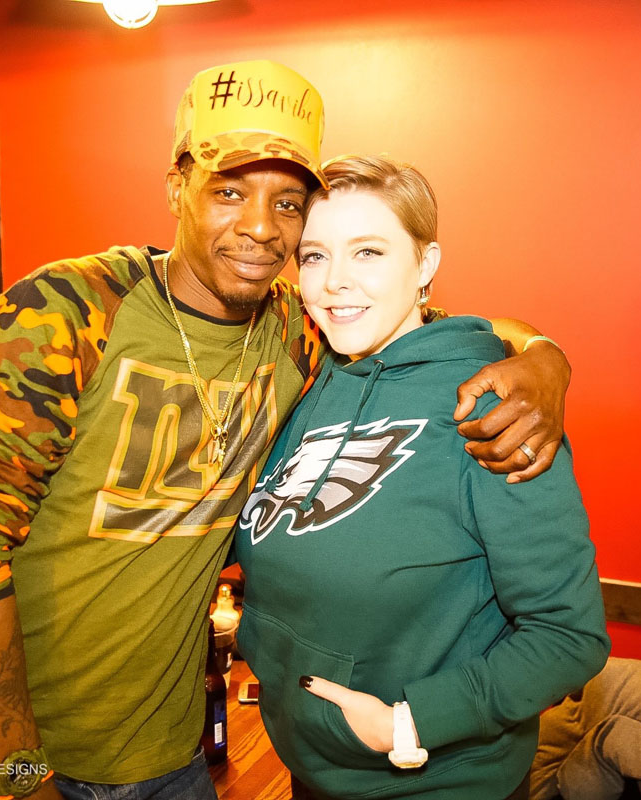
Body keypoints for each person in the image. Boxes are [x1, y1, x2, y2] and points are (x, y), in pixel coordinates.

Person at [0, 61, 573, 800]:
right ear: (176, 187)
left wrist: (545, 358)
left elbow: (425, 326)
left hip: (162, 750)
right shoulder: (71, 308)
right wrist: (18, 778)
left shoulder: (299, 328)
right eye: (228, 191)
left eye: (288, 203)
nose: (259, 226)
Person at [234, 155, 610, 800]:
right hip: (307, 766)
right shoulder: (307, 375)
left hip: (434, 781)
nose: (335, 282)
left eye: (369, 252)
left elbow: (567, 636)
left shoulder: (491, 407)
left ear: (425, 264)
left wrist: (408, 723)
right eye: (316, 256)